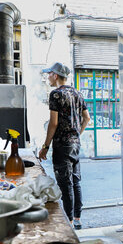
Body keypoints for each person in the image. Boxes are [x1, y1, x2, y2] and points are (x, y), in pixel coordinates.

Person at [38, 62, 90, 230]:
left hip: (61, 145)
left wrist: (45, 146)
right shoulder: (78, 93)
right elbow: (87, 118)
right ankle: (77, 218)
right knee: (75, 181)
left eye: (49, 74)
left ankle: (67, 221)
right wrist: (76, 134)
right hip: (75, 144)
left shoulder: (56, 95)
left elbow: (53, 123)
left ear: (55, 75)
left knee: (65, 183)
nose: (48, 78)